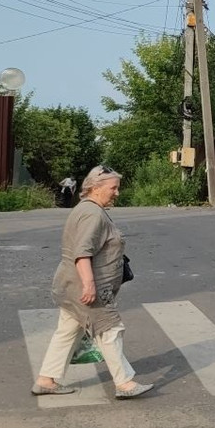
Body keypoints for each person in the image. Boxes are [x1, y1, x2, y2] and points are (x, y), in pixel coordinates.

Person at [32, 165, 153, 399]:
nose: (117, 193)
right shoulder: (92, 214)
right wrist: (89, 285)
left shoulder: (86, 209)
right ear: (96, 188)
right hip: (87, 287)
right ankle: (125, 383)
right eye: (113, 188)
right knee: (110, 330)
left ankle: (46, 380)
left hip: (71, 285)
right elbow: (82, 252)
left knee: (68, 331)